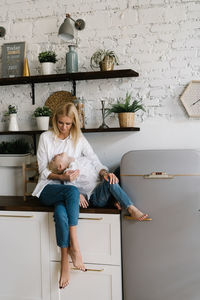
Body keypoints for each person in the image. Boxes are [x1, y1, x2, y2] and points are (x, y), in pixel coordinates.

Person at [48, 152, 148, 221]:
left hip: (102, 186)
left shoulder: (80, 160)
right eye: (53, 159)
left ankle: (115, 199)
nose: (55, 154)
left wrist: (106, 174)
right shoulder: (68, 173)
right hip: (95, 197)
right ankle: (131, 208)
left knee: (120, 169)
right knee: (109, 181)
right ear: (60, 166)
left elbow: (97, 167)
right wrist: (78, 194)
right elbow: (69, 188)